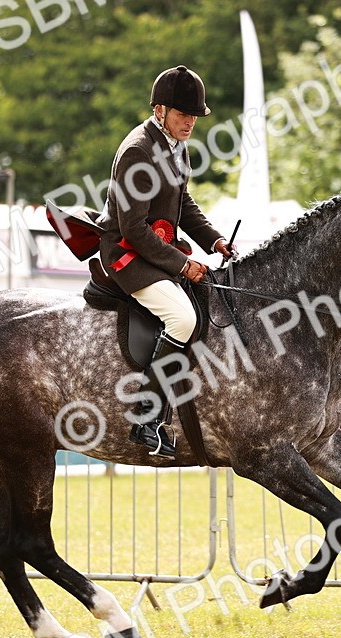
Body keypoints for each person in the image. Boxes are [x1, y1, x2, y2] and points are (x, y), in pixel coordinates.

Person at [98, 65, 234, 459]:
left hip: (154, 248)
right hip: (127, 253)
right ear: (159, 110)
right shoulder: (139, 152)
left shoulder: (176, 145)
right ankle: (146, 417)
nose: (190, 122)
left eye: (194, 116)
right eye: (182, 114)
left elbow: (183, 205)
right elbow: (134, 228)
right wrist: (182, 265)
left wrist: (214, 239)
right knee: (183, 319)